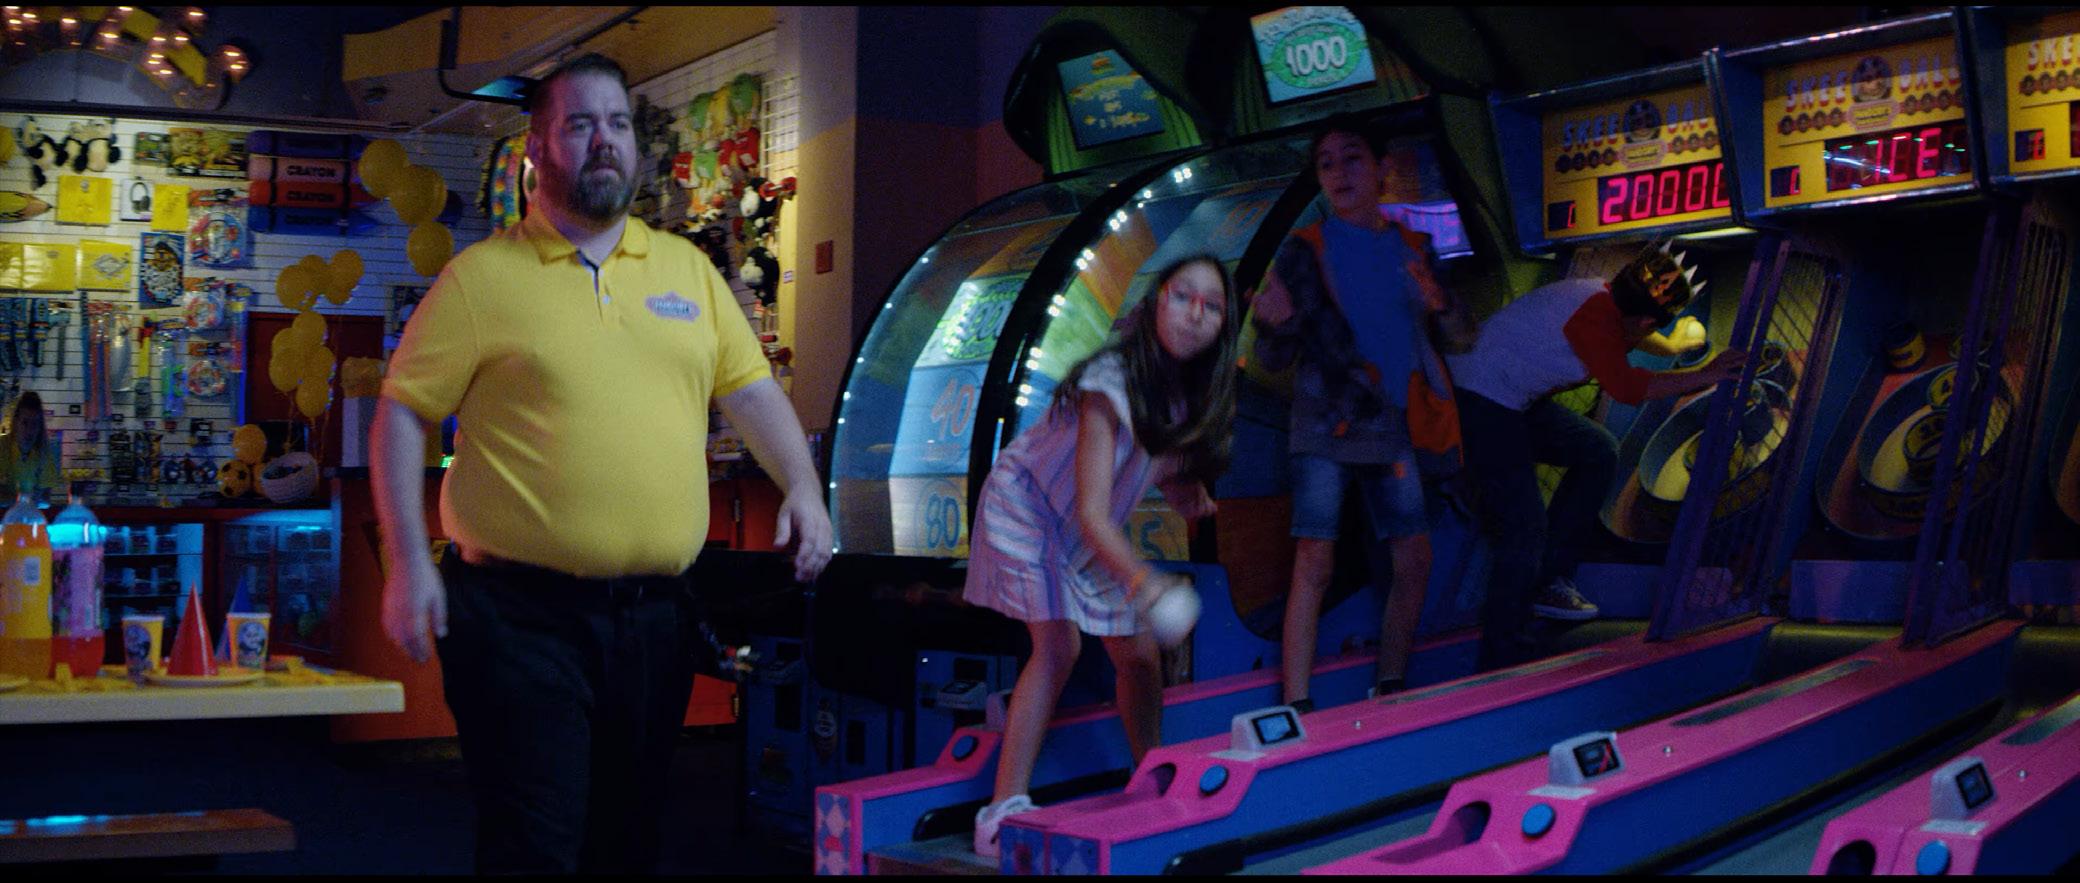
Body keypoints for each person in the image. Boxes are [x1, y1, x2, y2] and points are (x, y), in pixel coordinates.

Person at [372, 53, 832, 875]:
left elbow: (751, 391)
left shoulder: (688, 271)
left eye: (617, 123)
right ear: (537, 149)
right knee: (536, 846)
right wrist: (407, 561)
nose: (604, 141)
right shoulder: (481, 279)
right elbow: (402, 414)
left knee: (626, 846)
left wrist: (803, 485)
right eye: (579, 124)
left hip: (653, 619)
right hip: (517, 618)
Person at [966, 255, 1236, 858]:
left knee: (1139, 656)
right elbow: (1091, 512)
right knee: (1059, 645)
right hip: (1029, 509)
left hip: (1085, 531)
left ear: (1224, 325)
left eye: (1212, 306)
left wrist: (1185, 491)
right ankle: (1001, 810)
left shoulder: (1186, 396)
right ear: (1156, 302)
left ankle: (1151, 772)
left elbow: (1153, 460)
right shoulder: (1110, 380)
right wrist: (1146, 582)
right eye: (1183, 296)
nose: (1195, 313)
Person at [1249, 114, 1467, 714]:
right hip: (1323, 426)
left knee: (1413, 556)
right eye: (1326, 164)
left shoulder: (1414, 248)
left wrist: (1441, 304)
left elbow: (1459, 335)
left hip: (1391, 427)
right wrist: (1273, 325)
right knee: (1313, 558)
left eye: (1351, 158)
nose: (1339, 173)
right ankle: (1295, 703)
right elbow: (1271, 358)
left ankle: (1391, 685)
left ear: (1381, 169)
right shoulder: (1304, 250)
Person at [1446, 244, 1743, 671]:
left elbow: (1630, 333)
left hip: (1510, 400)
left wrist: (1673, 346)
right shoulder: (1594, 317)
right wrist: (1705, 375)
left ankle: (1550, 579)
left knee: (1597, 450)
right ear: (1644, 319)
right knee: (1524, 529)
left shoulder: (1605, 299)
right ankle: (1501, 656)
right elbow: (1629, 387)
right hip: (1481, 402)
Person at [0, 392, 61, 503]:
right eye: (25, 423)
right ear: (16, 422)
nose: (29, 430)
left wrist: (13, 497)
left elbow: (45, 498)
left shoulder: (44, 451)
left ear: (40, 427)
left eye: (35, 424)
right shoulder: (2, 446)